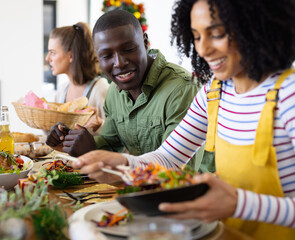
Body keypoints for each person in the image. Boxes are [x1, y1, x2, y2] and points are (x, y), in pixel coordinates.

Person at [72, 0, 295, 238]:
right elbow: (169, 158)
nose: (203, 49)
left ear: (254, 26)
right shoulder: (215, 93)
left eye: (216, 34)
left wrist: (239, 203)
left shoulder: (293, 93)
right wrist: (121, 164)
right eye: (196, 36)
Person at [46, 10, 214, 172]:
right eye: (107, 55)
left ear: (145, 42)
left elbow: (178, 169)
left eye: (128, 49)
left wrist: (94, 153)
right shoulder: (114, 92)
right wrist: (75, 141)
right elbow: (111, 143)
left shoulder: (181, 89)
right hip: (141, 190)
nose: (119, 63)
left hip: (192, 196)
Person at [46, 22, 109, 134]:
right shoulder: (62, 90)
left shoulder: (100, 88)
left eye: (52, 53)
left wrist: (100, 125)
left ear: (70, 55)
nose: (47, 58)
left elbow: (117, 136)